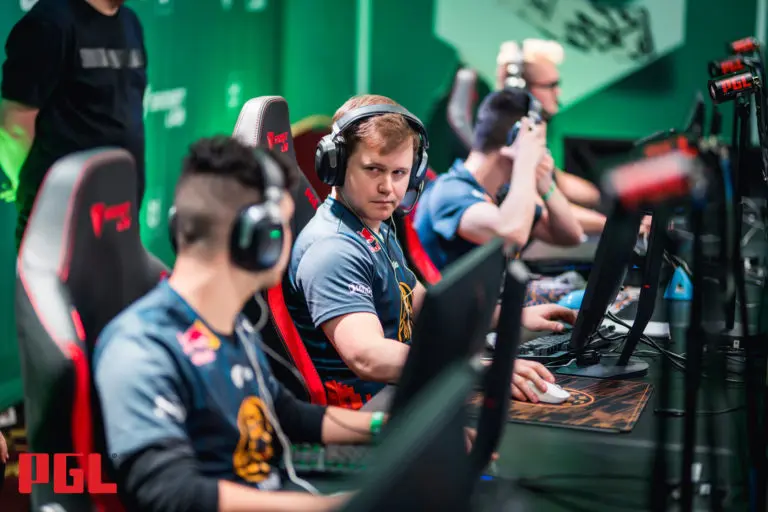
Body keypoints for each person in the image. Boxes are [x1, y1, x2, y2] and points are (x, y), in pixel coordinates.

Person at [93, 137, 380, 512]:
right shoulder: (141, 346)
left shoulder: (232, 324)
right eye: (285, 225)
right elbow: (169, 493)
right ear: (260, 238)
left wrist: (387, 426)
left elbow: (285, 414)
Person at [285, 94, 577, 410]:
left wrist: (509, 317)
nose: (388, 188)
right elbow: (368, 356)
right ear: (336, 166)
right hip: (368, 412)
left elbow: (422, 304)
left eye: (399, 173)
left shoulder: (374, 226)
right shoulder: (333, 249)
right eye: (373, 169)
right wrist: (478, 369)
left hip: (404, 389)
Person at [1, 0, 147, 250]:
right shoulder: (49, 22)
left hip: (120, 218)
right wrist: (32, 188)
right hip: (59, 226)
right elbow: (13, 126)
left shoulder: (130, 22)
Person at [414, 88, 584, 271]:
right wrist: (525, 161)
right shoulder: (450, 191)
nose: (541, 152)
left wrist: (546, 185)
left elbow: (571, 236)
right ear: (515, 139)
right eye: (538, 145)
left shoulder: (501, 193)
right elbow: (512, 236)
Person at [496, 39, 607, 234]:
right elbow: (540, 210)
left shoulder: (531, 128)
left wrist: (609, 196)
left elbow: (557, 180)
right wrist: (615, 224)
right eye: (551, 85)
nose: (558, 92)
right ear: (521, 91)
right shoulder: (510, 138)